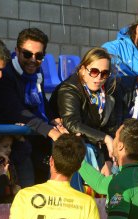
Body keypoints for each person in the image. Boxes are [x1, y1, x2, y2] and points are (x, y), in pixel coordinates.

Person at [0, 28, 66, 186]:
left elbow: (40, 103)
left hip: (30, 142)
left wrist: (54, 120)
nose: (33, 60)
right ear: (17, 51)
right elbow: (17, 112)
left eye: (39, 56)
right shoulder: (3, 75)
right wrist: (51, 131)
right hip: (3, 144)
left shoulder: (36, 75)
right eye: (27, 54)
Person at [49, 47, 116, 176]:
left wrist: (109, 161)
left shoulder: (107, 91)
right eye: (94, 71)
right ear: (82, 70)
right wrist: (105, 138)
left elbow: (110, 128)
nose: (99, 77)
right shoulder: (69, 88)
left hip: (93, 145)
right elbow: (72, 123)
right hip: (68, 147)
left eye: (105, 73)